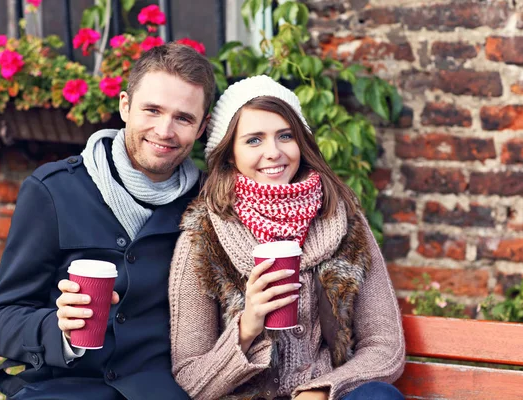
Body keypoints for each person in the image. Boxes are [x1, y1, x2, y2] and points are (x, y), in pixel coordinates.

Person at [0, 43, 215, 399]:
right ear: (124, 105)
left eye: (183, 118)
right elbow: (0, 320)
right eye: (151, 110)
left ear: (202, 128)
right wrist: (57, 328)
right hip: (61, 388)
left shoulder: (209, 202)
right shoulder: (54, 190)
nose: (165, 130)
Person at [168, 75, 405, 400]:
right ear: (229, 153)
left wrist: (322, 390)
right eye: (254, 140)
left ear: (301, 142)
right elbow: (190, 379)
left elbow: (385, 346)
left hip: (328, 395)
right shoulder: (203, 237)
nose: (274, 152)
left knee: (378, 396)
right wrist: (247, 328)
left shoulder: (343, 219)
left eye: (285, 136)